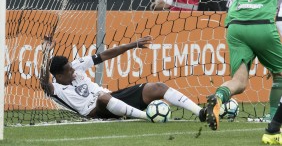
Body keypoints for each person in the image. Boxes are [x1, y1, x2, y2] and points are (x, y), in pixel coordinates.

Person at [40, 35, 207, 121]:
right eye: (69, 71)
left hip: (113, 99)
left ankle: (200, 112)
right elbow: (43, 81)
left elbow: (105, 54)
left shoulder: (76, 66)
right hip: (97, 111)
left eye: (72, 68)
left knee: (157, 87)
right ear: (59, 76)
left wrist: (132, 45)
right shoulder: (55, 89)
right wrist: (46, 53)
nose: (74, 71)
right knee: (103, 98)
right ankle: (147, 116)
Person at [203, 0, 282, 135]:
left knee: (239, 82)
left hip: (236, 25)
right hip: (261, 22)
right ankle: (276, 123)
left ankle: (218, 98)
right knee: (280, 75)